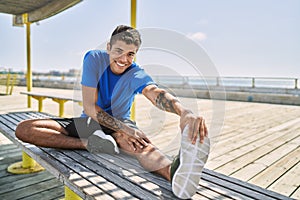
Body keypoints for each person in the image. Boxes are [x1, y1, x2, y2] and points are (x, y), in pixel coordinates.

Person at [15, 25, 210, 199]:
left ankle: (175, 173)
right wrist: (117, 131)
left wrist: (183, 111)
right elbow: (90, 108)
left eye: (131, 54)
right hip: (90, 122)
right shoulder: (94, 59)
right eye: (119, 51)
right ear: (108, 47)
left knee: (140, 146)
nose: (124, 59)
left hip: (120, 124)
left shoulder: (136, 73)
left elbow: (154, 92)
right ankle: (90, 144)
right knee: (24, 129)